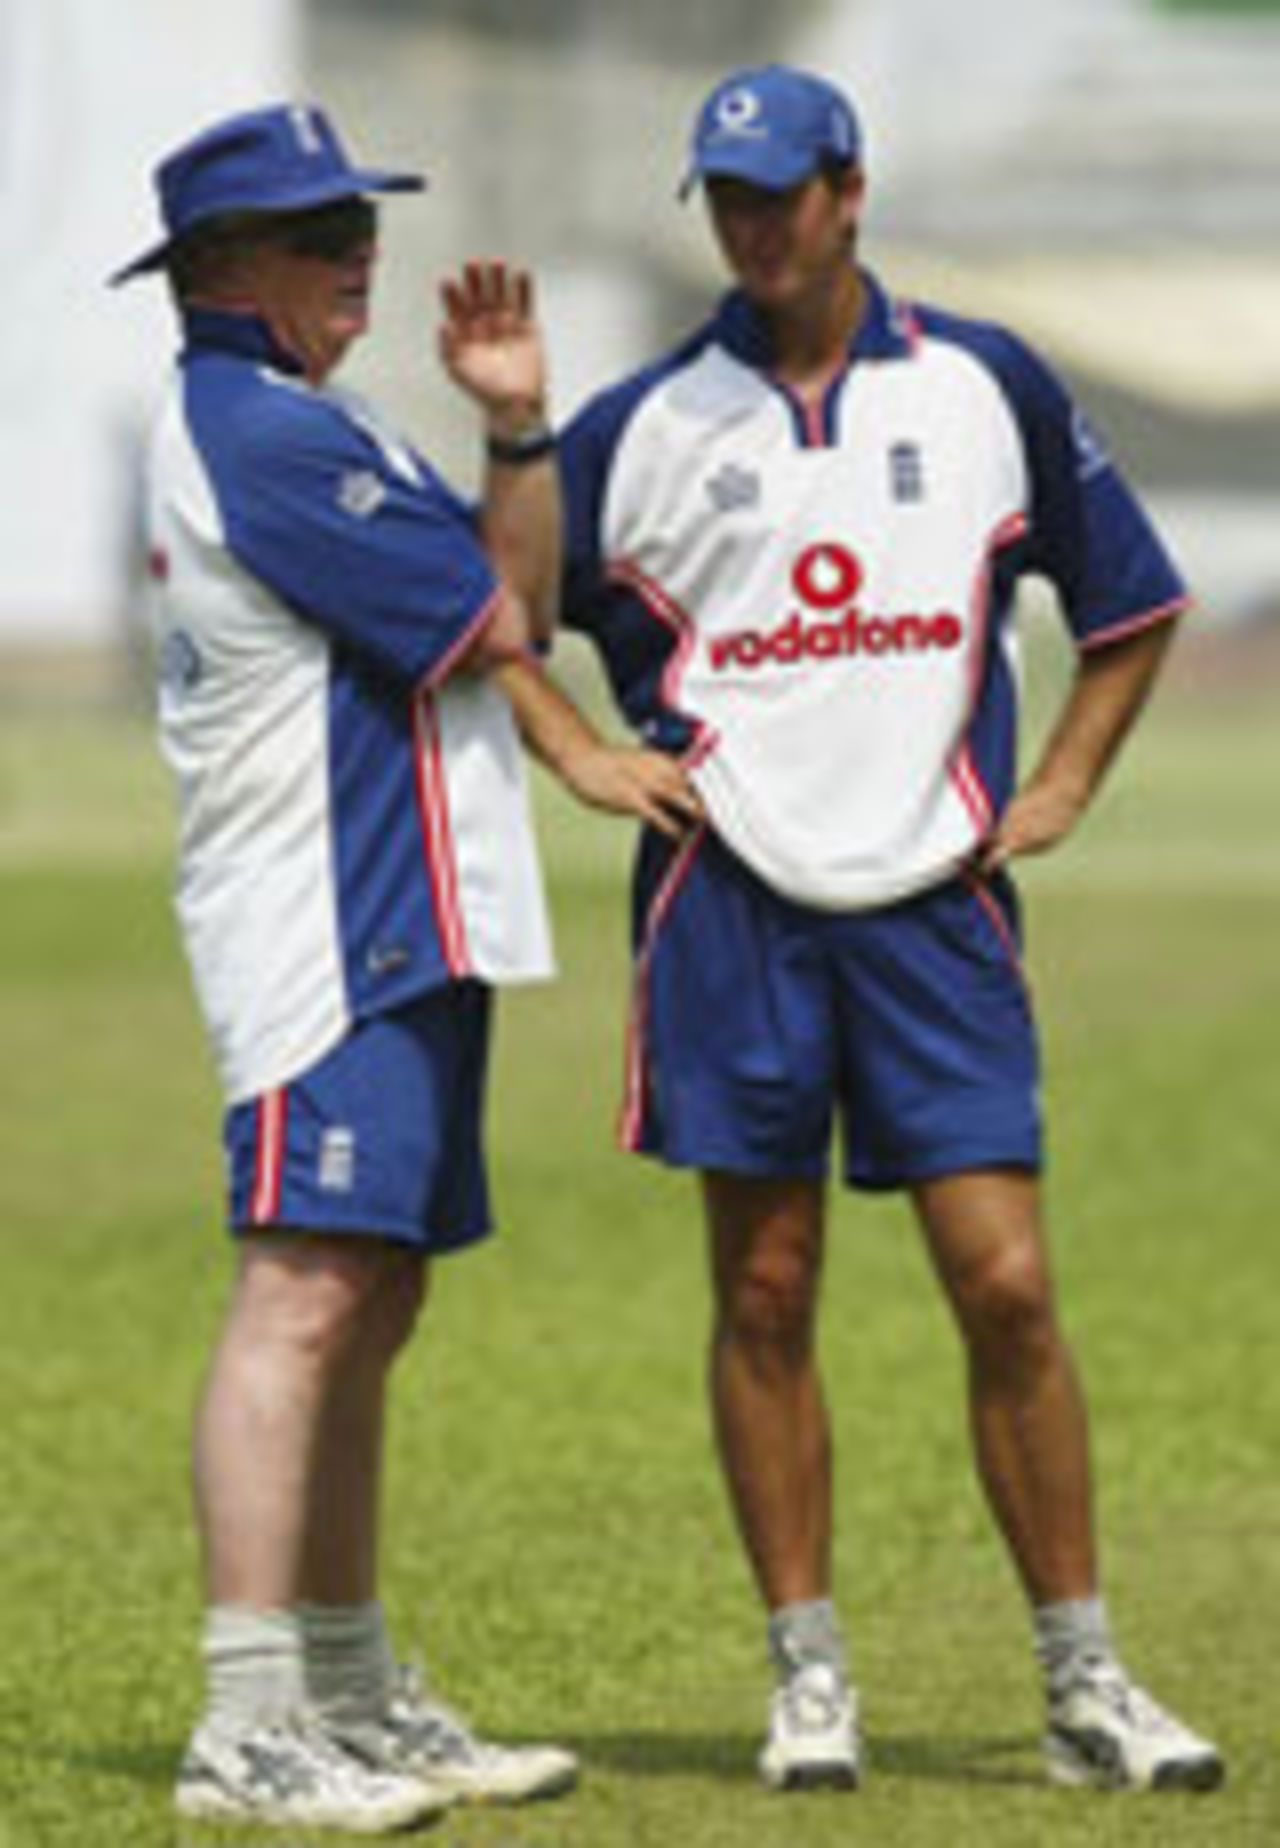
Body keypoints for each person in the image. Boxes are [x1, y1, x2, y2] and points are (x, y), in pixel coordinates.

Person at [546, 64, 1225, 1796]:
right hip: (730, 907)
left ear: (852, 190)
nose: (754, 225)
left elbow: (1133, 602)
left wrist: (1063, 780)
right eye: (727, 197)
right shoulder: (640, 422)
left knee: (1005, 1285)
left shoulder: (985, 381)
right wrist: (577, 745)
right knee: (765, 1290)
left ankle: (1085, 1682)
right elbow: (482, 610)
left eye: (782, 191)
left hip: (936, 911)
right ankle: (809, 1678)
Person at [110, 99, 663, 1833]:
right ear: (220, 268)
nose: (359, 250)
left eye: (359, 218)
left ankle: (342, 1688)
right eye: (315, 228)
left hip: (408, 912)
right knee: (304, 1288)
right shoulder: (257, 434)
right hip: (321, 918)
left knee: (377, 1287)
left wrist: (515, 433)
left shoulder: (318, 422)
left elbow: (517, 587)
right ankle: (247, 1717)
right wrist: (586, 758)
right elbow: (488, 634)